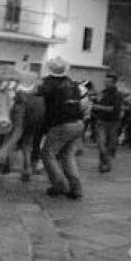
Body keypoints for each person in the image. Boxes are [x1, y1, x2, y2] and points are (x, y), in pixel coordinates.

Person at [37, 56, 85, 199]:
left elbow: (40, 100)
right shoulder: (73, 84)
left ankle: (59, 185)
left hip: (61, 124)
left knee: (47, 154)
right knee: (67, 155)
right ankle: (76, 188)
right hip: (78, 123)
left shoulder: (48, 84)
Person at [91, 73, 123, 172]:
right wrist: (94, 103)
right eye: (105, 81)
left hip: (113, 123)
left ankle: (105, 163)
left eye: (108, 82)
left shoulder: (118, 95)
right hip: (101, 121)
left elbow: (115, 109)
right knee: (101, 143)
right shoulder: (103, 93)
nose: (106, 83)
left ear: (114, 83)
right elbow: (97, 103)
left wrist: (99, 107)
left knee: (111, 145)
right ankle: (106, 162)